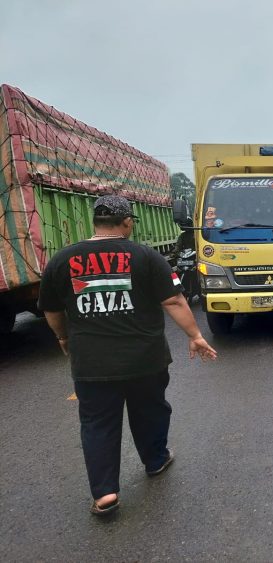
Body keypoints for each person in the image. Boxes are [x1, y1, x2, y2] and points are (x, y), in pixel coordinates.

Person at [37, 195, 218, 516]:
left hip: (91, 363)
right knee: (150, 410)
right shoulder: (145, 256)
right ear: (126, 222)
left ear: (95, 223)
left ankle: (105, 494)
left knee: (97, 424)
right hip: (145, 359)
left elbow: (51, 309)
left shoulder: (62, 260)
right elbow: (175, 301)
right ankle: (156, 459)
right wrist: (195, 336)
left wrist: (63, 337)